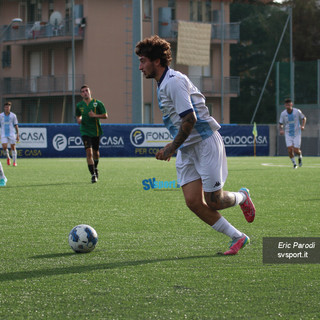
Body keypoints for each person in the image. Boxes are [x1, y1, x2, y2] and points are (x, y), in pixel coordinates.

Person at [135, 35, 255, 255]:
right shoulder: (162, 84)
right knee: (193, 202)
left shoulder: (174, 82)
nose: (140, 67)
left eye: (143, 61)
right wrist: (175, 146)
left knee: (214, 201)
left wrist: (171, 147)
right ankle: (238, 237)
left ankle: (243, 197)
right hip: (187, 148)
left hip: (205, 143)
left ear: (157, 61)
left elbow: (190, 118)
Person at [75, 85, 108, 183]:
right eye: (83, 91)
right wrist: (79, 119)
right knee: (88, 153)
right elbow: (78, 116)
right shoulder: (79, 105)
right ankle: (93, 175)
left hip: (96, 131)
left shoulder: (97, 103)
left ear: (90, 92)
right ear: (81, 94)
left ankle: (95, 167)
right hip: (85, 131)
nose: (85, 92)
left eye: (86, 91)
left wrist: (95, 115)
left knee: (96, 153)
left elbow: (105, 116)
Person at [279, 98, 306, 169]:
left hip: (297, 133)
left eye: (289, 104)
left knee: (296, 150)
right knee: (290, 150)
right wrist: (281, 129)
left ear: (291, 104)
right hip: (288, 134)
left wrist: (303, 126)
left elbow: (304, 118)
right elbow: (281, 123)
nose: (288, 106)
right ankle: (294, 164)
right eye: (286, 105)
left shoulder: (297, 111)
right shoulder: (283, 113)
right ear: (285, 105)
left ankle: (300, 156)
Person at [0, 101, 19, 167]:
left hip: (11, 134)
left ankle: (14, 162)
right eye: (5, 107)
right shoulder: (1, 115)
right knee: (4, 147)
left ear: (10, 107)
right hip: (3, 134)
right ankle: (8, 157)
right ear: (4, 108)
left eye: (8, 107)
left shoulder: (13, 115)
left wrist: (17, 134)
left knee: (13, 147)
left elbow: (16, 125)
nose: (7, 108)